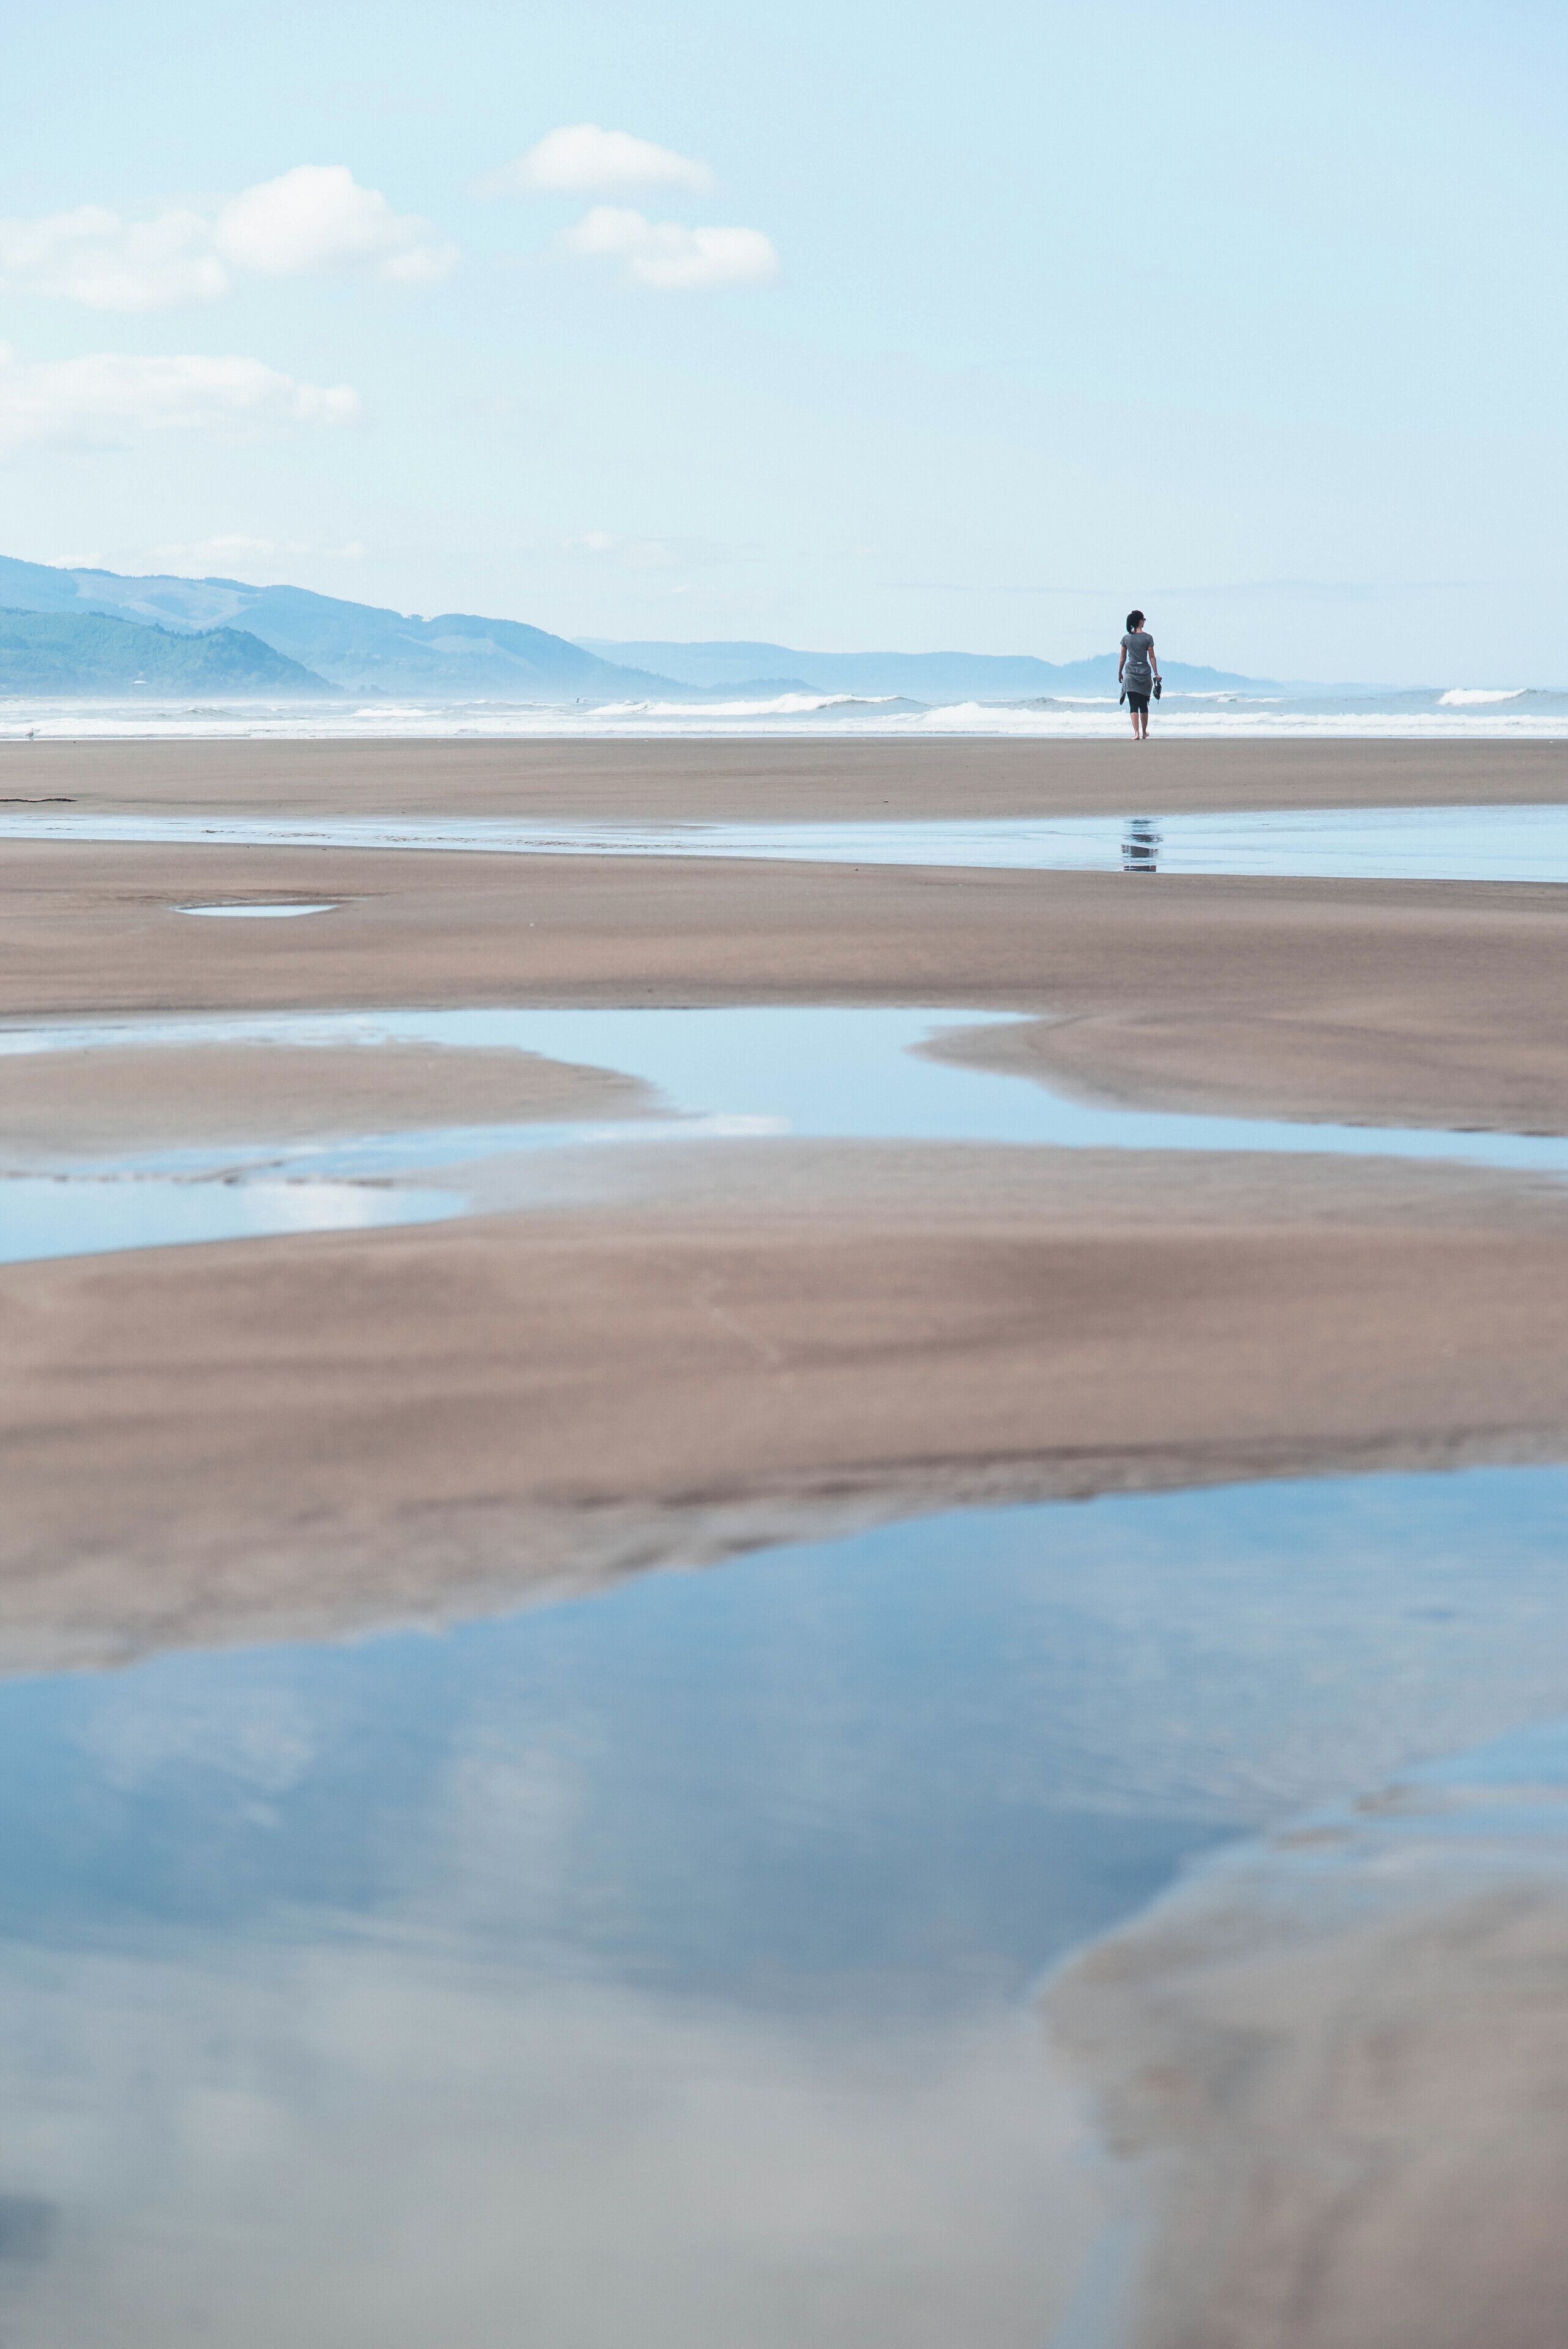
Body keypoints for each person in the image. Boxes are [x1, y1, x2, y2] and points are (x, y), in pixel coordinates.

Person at [1118, 609, 1161, 740]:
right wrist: (1156, 673)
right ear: (1140, 621)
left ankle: (1136, 733)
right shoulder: (1148, 638)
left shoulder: (1126, 638)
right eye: (1143, 619)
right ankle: (1143, 732)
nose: (1144, 622)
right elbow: (1152, 657)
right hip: (1144, 673)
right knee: (1143, 704)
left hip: (1130, 673)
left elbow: (1122, 658)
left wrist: (1120, 672)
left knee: (1133, 704)